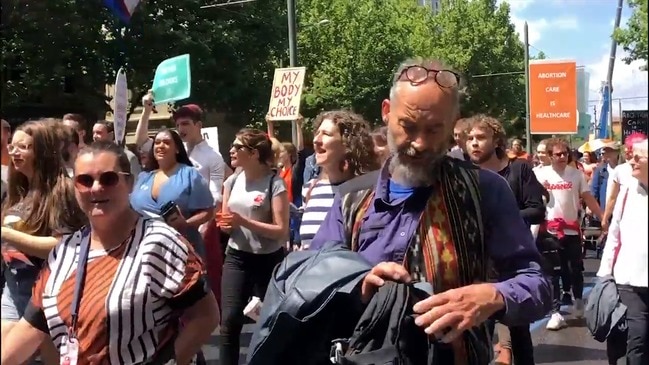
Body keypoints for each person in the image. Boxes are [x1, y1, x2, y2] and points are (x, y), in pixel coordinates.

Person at [310, 58, 551, 365]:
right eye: (408, 127)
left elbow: (538, 284)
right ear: (386, 113)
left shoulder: (485, 191)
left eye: (435, 128)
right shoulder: (351, 198)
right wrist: (357, 283)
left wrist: (492, 296)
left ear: (454, 124)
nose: (420, 143)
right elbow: (313, 279)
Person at [0, 141, 219, 365]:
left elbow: (206, 315)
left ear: (130, 183)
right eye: (84, 180)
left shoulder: (159, 243)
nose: (96, 188)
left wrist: (170, 360)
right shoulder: (64, 252)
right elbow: (32, 326)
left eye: (108, 179)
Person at [1, 120, 87, 363]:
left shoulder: (62, 191)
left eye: (23, 147)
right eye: (12, 147)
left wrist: (7, 235)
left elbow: (63, 246)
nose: (14, 152)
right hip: (13, 291)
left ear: (42, 150)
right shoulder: (17, 191)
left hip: (48, 295)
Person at [465, 114, 545, 365]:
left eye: (480, 137)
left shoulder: (518, 170)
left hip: (512, 263)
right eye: (469, 138)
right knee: (478, 337)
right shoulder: (464, 175)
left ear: (496, 140)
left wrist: (503, 217)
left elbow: (536, 210)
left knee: (519, 336)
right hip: (478, 268)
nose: (474, 143)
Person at [218, 128, 289, 365]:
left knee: (269, 321)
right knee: (228, 320)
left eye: (237, 147)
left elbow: (281, 230)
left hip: (268, 260)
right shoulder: (232, 181)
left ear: (254, 153)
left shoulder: (274, 183)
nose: (232, 150)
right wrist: (224, 224)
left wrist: (243, 221)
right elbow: (227, 223)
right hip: (237, 257)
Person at [535, 138, 602, 330]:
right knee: (552, 273)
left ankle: (578, 299)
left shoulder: (576, 175)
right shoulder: (539, 175)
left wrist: (603, 217)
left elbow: (587, 197)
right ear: (549, 156)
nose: (562, 157)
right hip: (549, 230)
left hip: (572, 229)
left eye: (565, 153)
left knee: (573, 269)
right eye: (557, 154)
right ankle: (555, 313)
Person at [597, 138, 648, 365]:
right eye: (631, 156)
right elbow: (614, 234)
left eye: (638, 157)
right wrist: (605, 272)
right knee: (637, 339)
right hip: (630, 281)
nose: (632, 161)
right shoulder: (627, 192)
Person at [299, 110, 380, 250]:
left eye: (326, 134)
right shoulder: (310, 189)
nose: (316, 140)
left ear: (348, 144)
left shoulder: (365, 192)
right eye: (317, 133)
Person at [129, 129, 215, 260]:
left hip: (181, 248)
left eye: (167, 142)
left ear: (177, 149)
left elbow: (208, 211)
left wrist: (186, 223)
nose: (161, 146)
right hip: (145, 248)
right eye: (157, 143)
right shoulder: (143, 177)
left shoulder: (190, 174)